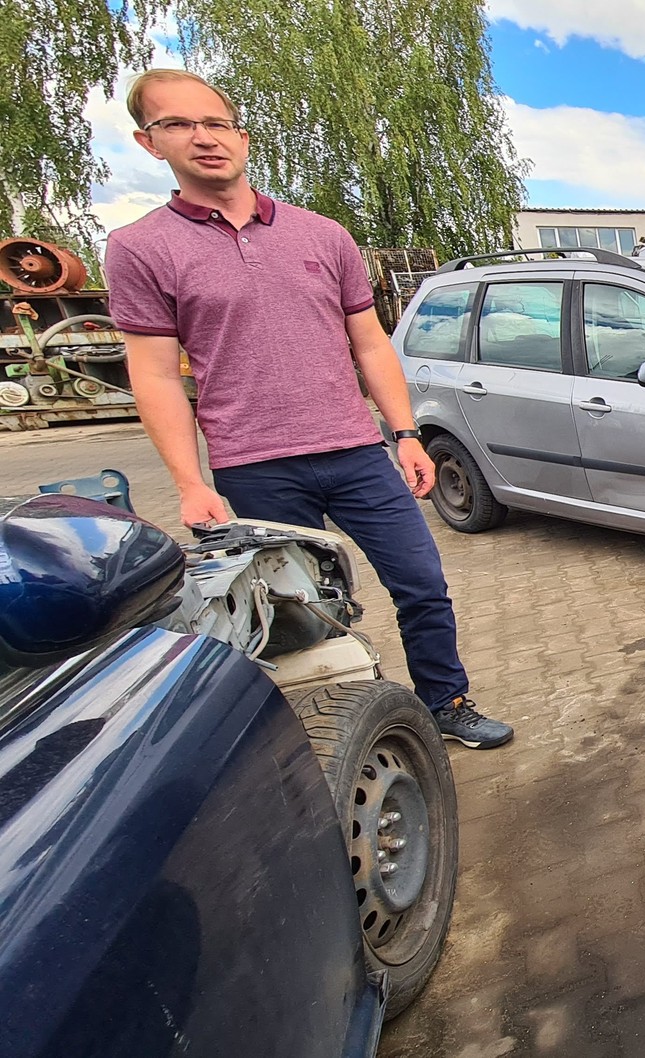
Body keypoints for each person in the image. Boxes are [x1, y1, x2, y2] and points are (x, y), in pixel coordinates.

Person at [104, 68, 513, 749]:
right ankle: (338, 732)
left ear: (241, 135)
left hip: (354, 451)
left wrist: (405, 434)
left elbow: (371, 346)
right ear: (151, 144)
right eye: (178, 125)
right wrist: (188, 481)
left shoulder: (322, 236)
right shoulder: (141, 249)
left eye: (215, 123)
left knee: (421, 583)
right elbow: (153, 376)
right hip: (255, 465)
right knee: (304, 611)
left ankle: (446, 701)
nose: (202, 139)